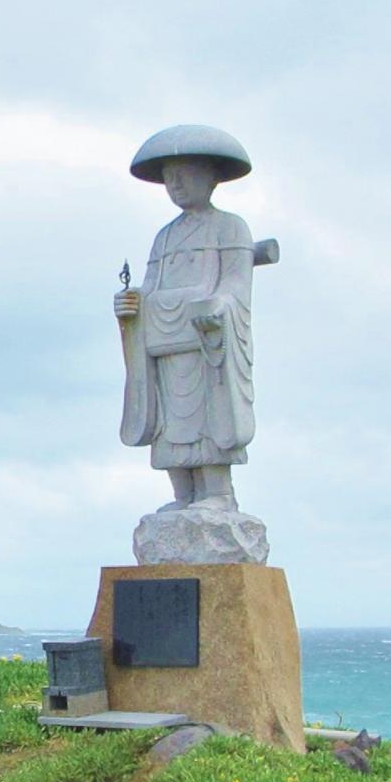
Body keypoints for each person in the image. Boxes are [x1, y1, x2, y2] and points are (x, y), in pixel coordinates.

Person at [115, 125, 257, 513]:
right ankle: (183, 493)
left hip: (205, 341)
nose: (176, 184)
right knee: (168, 416)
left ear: (210, 176)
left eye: (185, 174)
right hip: (164, 340)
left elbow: (235, 286)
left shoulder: (230, 227)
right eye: (169, 178)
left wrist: (215, 307)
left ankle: (218, 493)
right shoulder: (164, 237)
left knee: (207, 413)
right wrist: (132, 304)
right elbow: (150, 287)